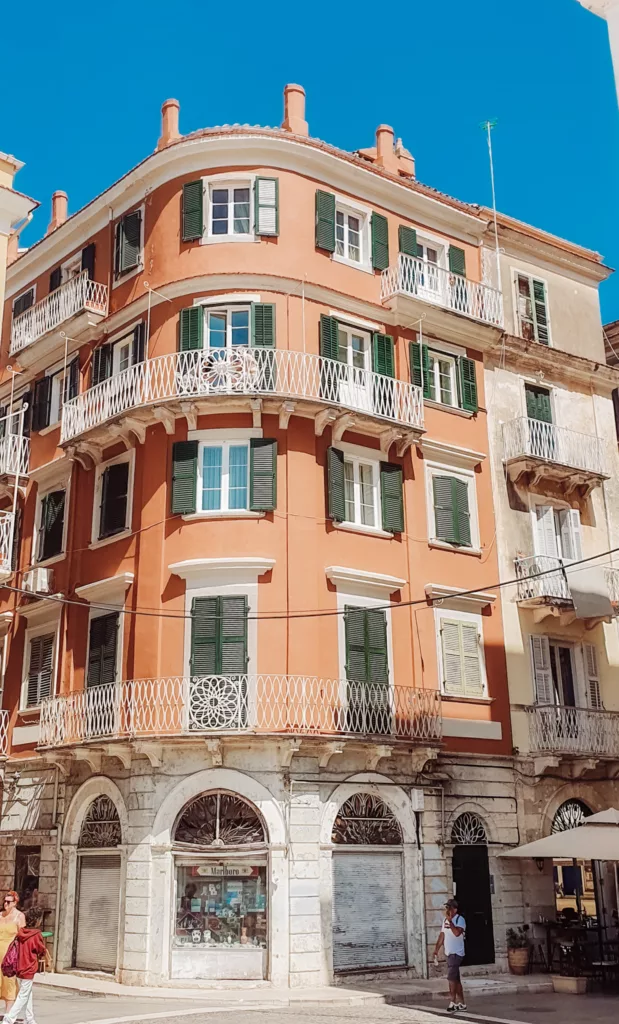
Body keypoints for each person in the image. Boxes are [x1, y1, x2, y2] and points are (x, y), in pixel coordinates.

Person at [1, 906, 47, 1024]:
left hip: (19, 967)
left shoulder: (21, 932)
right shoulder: (36, 934)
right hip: (29, 967)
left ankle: (30, 1018)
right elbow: (41, 950)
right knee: (23, 995)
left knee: (28, 993)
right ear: (37, 920)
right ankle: (9, 1019)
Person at [433, 898, 467, 1012]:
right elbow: (442, 936)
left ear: (455, 909)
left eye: (450, 907)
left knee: (451, 978)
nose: (447, 909)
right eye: (446, 907)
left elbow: (457, 933)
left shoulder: (460, 919)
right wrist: (436, 949)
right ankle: (462, 1003)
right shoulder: (445, 921)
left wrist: (450, 922)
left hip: (456, 953)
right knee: (456, 979)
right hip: (449, 952)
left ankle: (452, 1002)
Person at [0, 892, 25, 1018]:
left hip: (10, 954)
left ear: (15, 903)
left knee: (9, 982)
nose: (5, 904)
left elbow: (22, 937)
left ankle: (8, 1012)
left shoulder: (19, 917)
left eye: (8, 902)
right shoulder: (0, 916)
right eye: (4, 901)